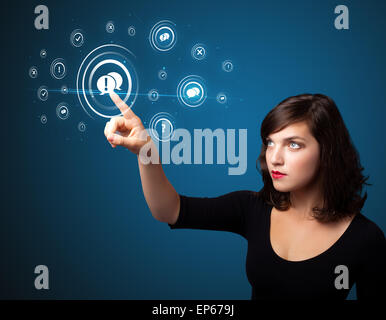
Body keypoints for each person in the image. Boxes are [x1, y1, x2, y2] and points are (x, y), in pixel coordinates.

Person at [104, 92, 385, 300]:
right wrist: (146, 152)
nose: (274, 157)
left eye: (294, 145)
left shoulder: (365, 239)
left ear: (328, 152)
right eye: (270, 143)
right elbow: (170, 210)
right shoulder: (253, 208)